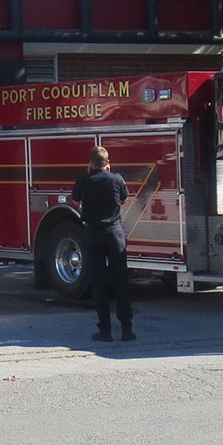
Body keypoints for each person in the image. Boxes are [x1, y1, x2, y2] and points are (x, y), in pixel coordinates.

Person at [71, 145, 135, 342]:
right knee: (121, 281)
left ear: (90, 163)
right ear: (108, 163)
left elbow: (75, 199)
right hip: (114, 234)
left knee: (99, 284)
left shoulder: (84, 180)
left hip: (93, 234)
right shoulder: (116, 179)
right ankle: (127, 330)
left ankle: (105, 331)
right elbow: (124, 199)